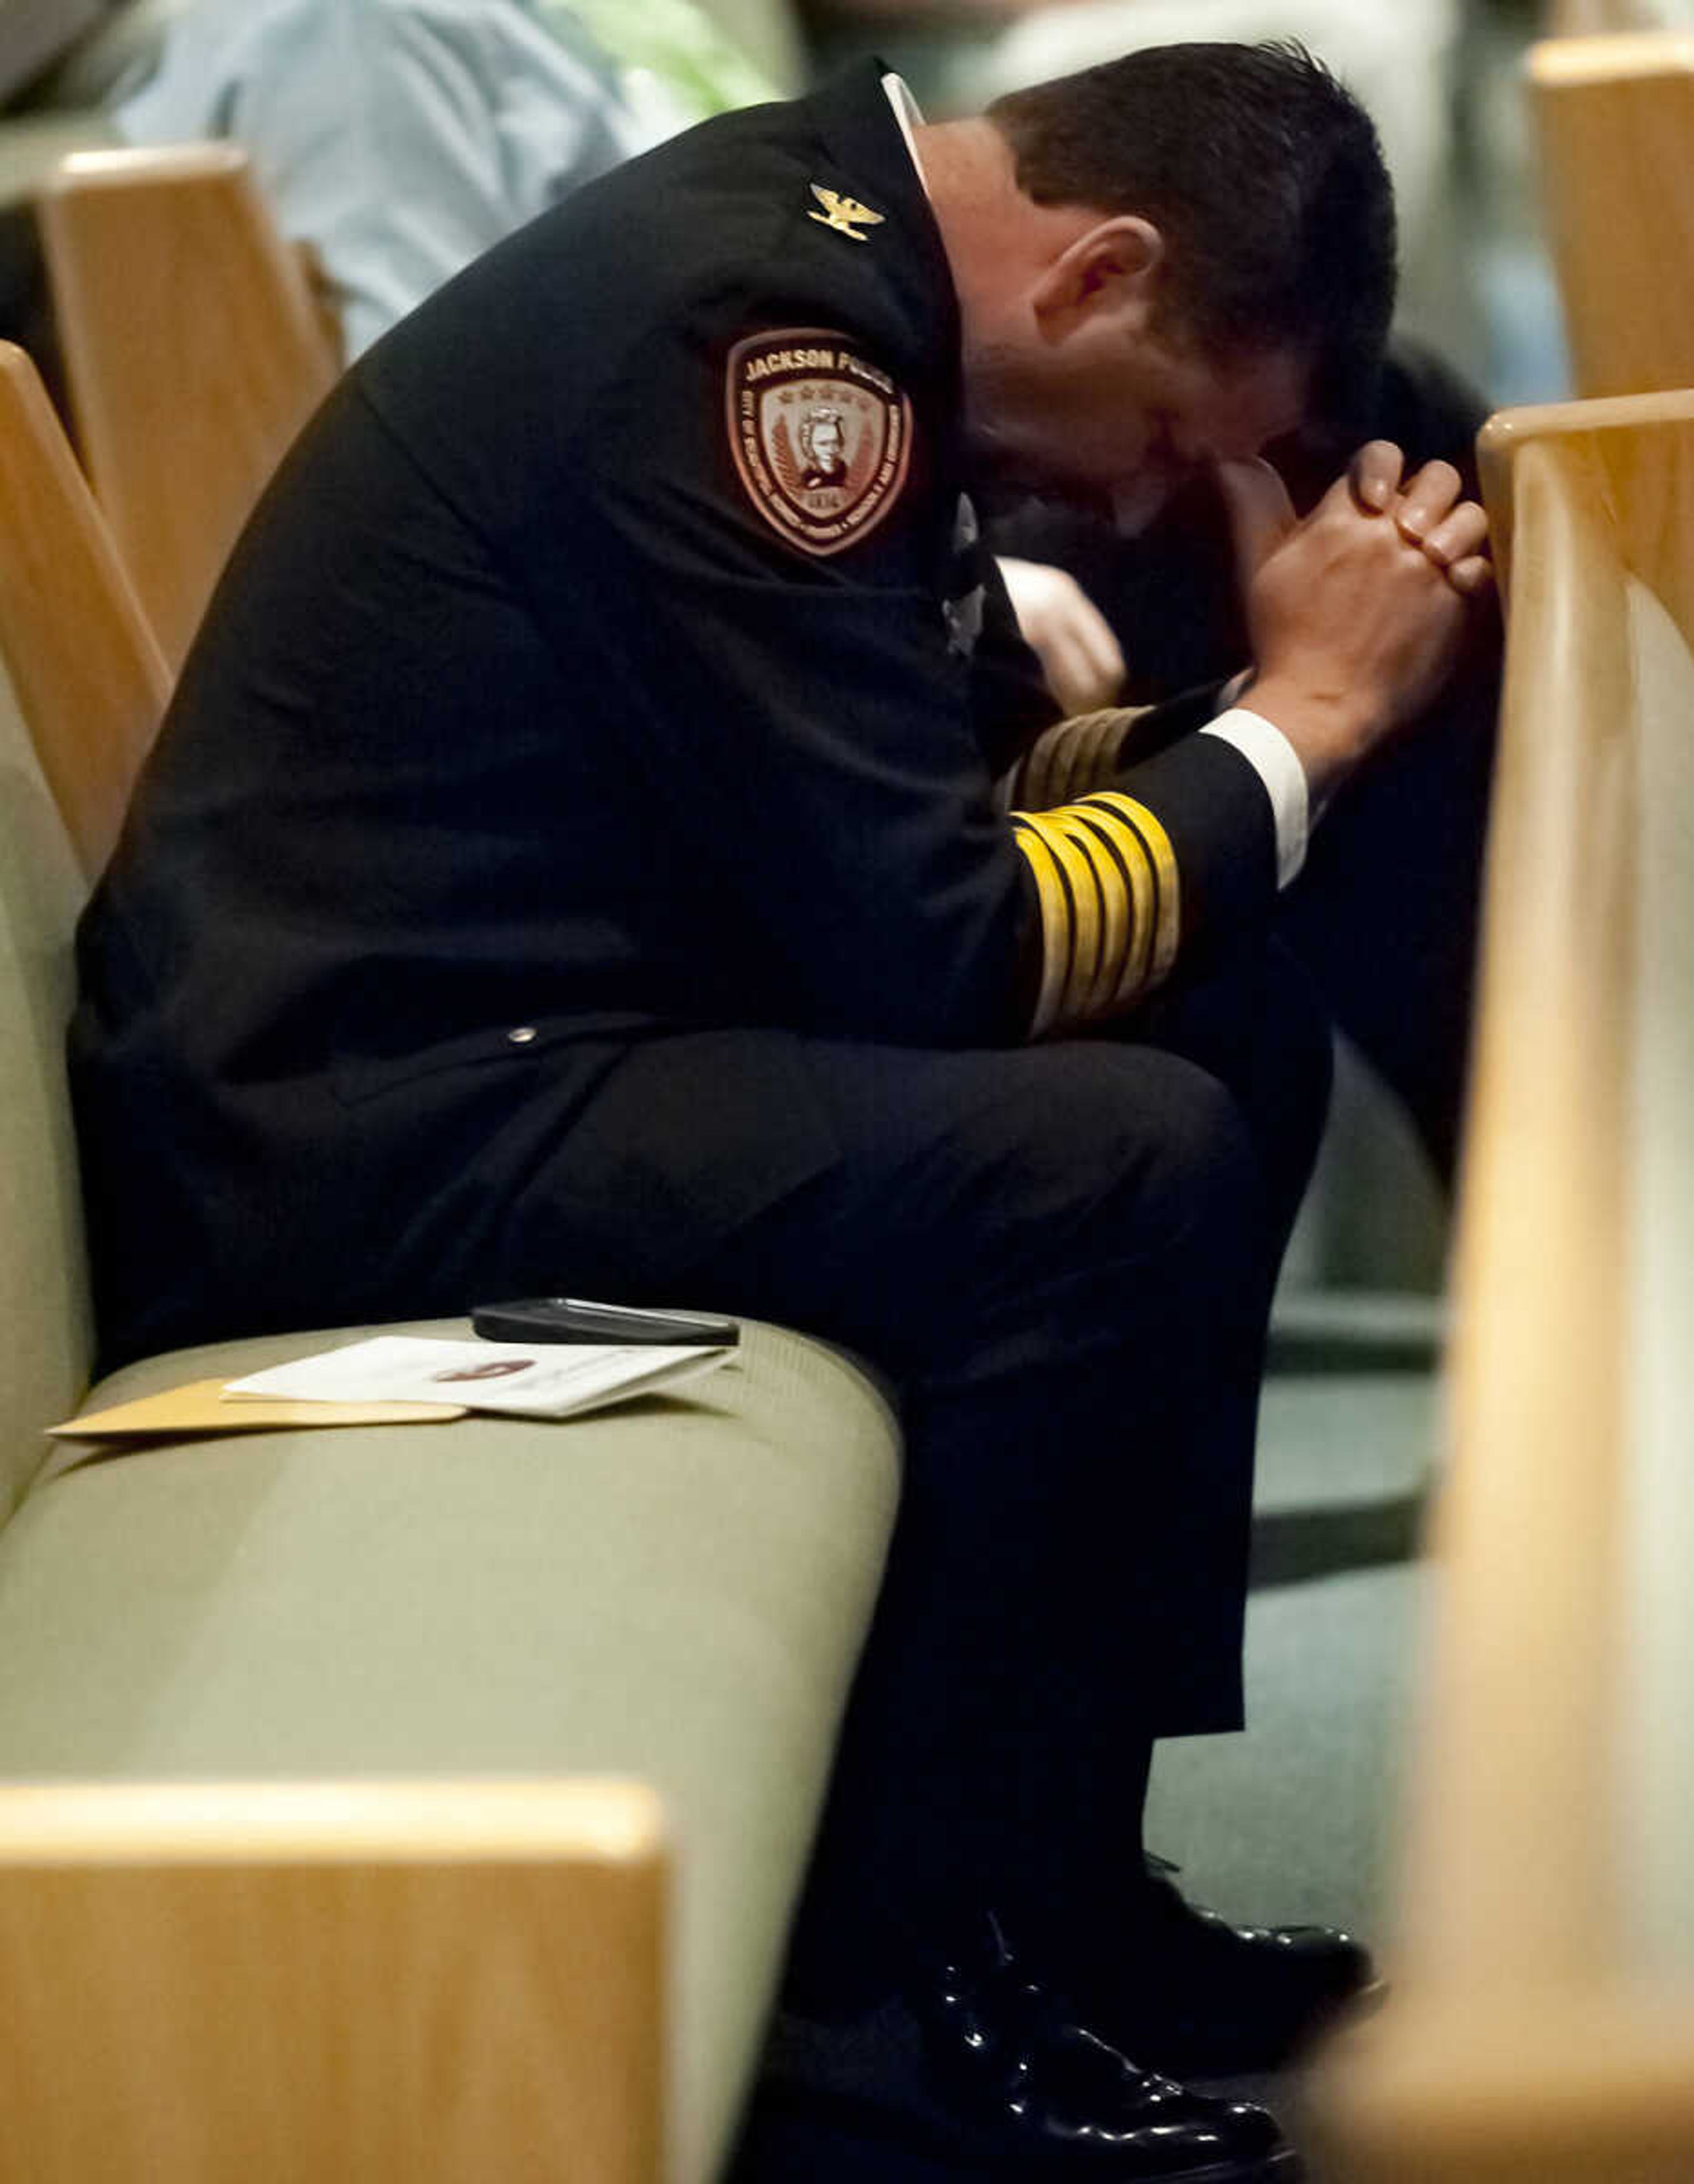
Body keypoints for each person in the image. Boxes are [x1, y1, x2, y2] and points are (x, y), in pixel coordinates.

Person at [71, 43, 1492, 2180]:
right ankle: (885, 1988)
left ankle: (1059, 1885)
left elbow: (888, 850)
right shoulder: (765, 341)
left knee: (1233, 1033)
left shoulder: (838, 251)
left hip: (544, 1025)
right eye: (1174, 443)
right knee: (1106, 1157)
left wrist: (1260, 724)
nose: (1130, 508)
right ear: (1100, 276)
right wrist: (1301, 718)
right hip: (349, 1118)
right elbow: (938, 952)